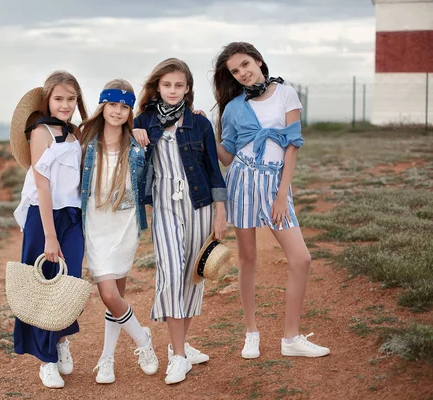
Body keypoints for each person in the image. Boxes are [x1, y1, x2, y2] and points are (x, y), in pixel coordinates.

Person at [212, 42, 330, 359]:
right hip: (242, 179)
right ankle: (251, 333)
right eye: (235, 71)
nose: (242, 73)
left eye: (245, 64)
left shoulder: (286, 94)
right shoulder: (234, 107)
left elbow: (292, 145)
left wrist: (281, 194)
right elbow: (226, 157)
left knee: (301, 258)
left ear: (259, 61)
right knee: (247, 258)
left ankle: (291, 338)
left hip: (275, 181)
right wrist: (207, 132)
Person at [132, 58, 227, 384]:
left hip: (199, 205)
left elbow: (214, 169)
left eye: (179, 85)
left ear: (187, 89)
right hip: (163, 207)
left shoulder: (199, 123)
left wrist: (221, 212)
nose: (173, 90)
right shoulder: (143, 120)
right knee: (172, 275)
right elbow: (126, 150)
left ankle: (180, 348)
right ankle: (179, 356)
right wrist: (133, 132)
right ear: (158, 87)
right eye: (167, 85)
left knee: (191, 277)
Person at [9, 70, 89, 389]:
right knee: (43, 282)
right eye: (59, 99)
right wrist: (50, 237)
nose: (66, 105)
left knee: (69, 280)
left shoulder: (77, 133)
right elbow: (43, 189)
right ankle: (46, 360)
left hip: (72, 215)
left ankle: (59, 340)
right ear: (47, 101)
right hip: (44, 217)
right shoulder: (40, 132)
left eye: (71, 99)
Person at [79, 79, 159, 384]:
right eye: (112, 104)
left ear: (130, 111)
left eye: (125, 107)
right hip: (97, 228)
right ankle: (142, 339)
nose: (118, 111)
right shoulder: (86, 143)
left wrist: (200, 115)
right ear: (102, 106)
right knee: (109, 295)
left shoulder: (138, 144)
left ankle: (107, 359)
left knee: (117, 296)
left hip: (125, 227)